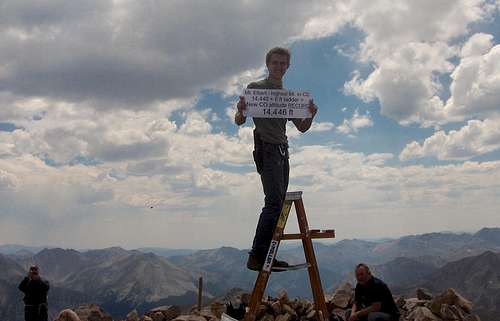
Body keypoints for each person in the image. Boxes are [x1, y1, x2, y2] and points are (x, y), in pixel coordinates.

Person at [234, 47, 318, 271]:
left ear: (287, 67)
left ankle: (267, 257)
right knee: (273, 204)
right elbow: (239, 121)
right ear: (268, 64)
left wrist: (311, 115)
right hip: (267, 149)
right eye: (275, 63)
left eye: (283, 63)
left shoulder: (288, 97)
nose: (279, 66)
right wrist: (241, 111)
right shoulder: (255, 88)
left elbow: (301, 127)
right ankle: (257, 257)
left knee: (278, 204)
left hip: (282, 149)